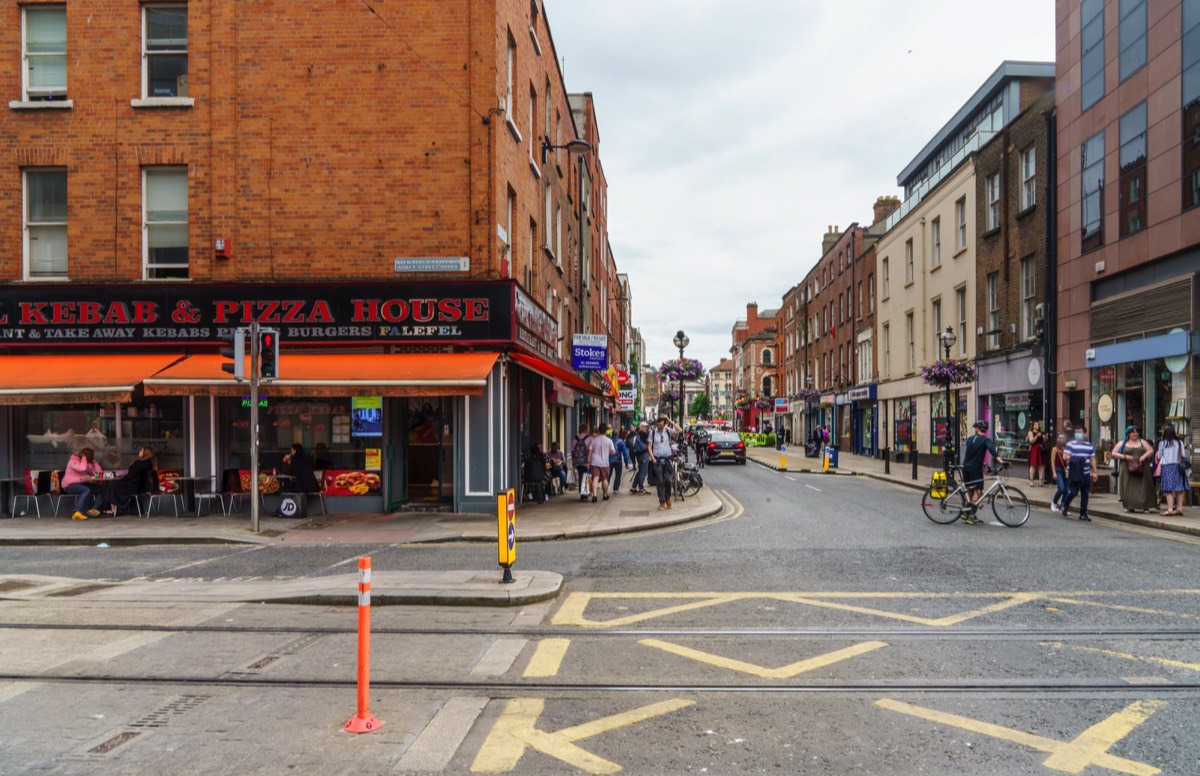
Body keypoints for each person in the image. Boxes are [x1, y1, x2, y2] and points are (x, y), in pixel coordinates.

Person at [960, 421, 1004, 524]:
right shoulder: (986, 440)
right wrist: (1002, 462)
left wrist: (983, 463)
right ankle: (970, 515)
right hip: (975, 469)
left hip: (965, 467)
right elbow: (992, 451)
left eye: (975, 427)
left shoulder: (970, 439)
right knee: (978, 491)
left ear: (977, 429)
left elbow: (971, 454)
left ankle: (969, 513)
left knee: (970, 491)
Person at [98, 447, 159, 517]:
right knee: (113, 484)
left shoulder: (139, 464)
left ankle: (111, 509)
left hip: (133, 487)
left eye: (141, 451)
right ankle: (112, 509)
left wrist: (120, 479)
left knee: (111, 483)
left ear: (145, 453)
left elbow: (130, 475)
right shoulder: (150, 464)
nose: (139, 452)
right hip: (142, 488)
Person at [1113, 425, 1156, 513]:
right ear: (1128, 433)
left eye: (1137, 432)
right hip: (1126, 467)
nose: (1135, 434)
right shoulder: (1122, 443)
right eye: (1133, 432)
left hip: (1142, 467)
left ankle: (1145, 506)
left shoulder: (1142, 442)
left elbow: (1151, 450)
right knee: (1128, 487)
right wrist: (1125, 456)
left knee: (1144, 487)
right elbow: (1114, 453)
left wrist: (1144, 456)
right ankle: (1129, 506)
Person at [1061, 422, 1098, 521]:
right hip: (1074, 473)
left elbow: (1092, 459)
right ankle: (1065, 504)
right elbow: (1065, 456)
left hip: (1085, 473)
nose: (1078, 434)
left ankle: (1083, 514)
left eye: (1080, 432)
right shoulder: (1070, 444)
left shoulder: (1089, 445)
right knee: (1073, 492)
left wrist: (1095, 472)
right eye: (1076, 432)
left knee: (1085, 494)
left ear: (1085, 433)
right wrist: (1076, 458)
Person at [1155, 424, 1190, 516]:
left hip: (1167, 467)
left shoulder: (1162, 443)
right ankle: (1179, 508)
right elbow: (1183, 455)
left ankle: (1170, 509)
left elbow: (1159, 456)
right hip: (1178, 467)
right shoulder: (1179, 443)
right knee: (1179, 489)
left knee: (1168, 489)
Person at [648, 415, 681, 510]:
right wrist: (653, 458)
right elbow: (649, 446)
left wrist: (669, 420)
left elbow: (680, 430)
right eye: (658, 424)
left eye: (661, 425)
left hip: (667, 459)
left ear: (664, 424)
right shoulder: (653, 432)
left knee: (668, 480)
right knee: (659, 482)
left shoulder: (668, 431)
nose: (659, 426)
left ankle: (667, 498)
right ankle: (662, 501)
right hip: (657, 460)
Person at [62, 447, 103, 520]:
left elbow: (99, 474)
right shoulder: (73, 461)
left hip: (82, 483)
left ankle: (93, 509)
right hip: (69, 485)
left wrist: (94, 462)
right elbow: (82, 468)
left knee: (101, 489)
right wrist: (84, 458)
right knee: (86, 490)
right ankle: (76, 512)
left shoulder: (88, 463)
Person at [586, 423, 616, 502]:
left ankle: (594, 495)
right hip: (604, 463)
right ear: (606, 431)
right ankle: (605, 495)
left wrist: (588, 462)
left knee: (595, 478)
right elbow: (613, 452)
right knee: (604, 479)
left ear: (599, 430)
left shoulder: (593, 440)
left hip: (594, 462)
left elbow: (589, 452)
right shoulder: (609, 441)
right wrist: (610, 452)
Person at [627, 423, 651, 494]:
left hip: (639, 455)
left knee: (640, 471)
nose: (647, 428)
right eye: (646, 427)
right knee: (643, 472)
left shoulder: (637, 434)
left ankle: (633, 487)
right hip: (644, 455)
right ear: (642, 427)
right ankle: (641, 488)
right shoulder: (643, 434)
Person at [571, 424, 591, 501]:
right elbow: (591, 450)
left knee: (580, 476)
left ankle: (582, 493)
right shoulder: (589, 438)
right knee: (586, 476)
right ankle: (585, 493)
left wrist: (573, 460)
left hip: (578, 461)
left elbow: (572, 451)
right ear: (585, 430)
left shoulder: (575, 439)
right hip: (586, 461)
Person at [1050, 433, 1069, 514]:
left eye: (1063, 438)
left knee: (1067, 490)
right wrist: (1054, 473)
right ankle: (1054, 503)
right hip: (1058, 470)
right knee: (1061, 488)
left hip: (1066, 470)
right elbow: (1052, 462)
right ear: (1057, 439)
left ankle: (1064, 507)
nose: (1061, 439)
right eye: (1060, 438)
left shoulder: (1066, 448)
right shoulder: (1054, 449)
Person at [609, 429, 632, 494]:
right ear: (618, 434)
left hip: (609, 461)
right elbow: (625, 453)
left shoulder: (608, 441)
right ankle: (616, 488)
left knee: (608, 475)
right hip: (618, 460)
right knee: (618, 475)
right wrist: (626, 462)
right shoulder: (620, 442)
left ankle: (605, 485)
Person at [1026, 421, 1046, 487]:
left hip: (1041, 449)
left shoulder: (1041, 432)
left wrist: (1045, 437)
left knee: (1041, 465)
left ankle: (1040, 480)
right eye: (1036, 425)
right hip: (1034, 449)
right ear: (1033, 426)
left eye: (1038, 425)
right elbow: (1031, 441)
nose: (1038, 426)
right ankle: (1031, 481)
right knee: (1033, 465)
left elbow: (1044, 441)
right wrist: (1037, 436)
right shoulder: (1030, 432)